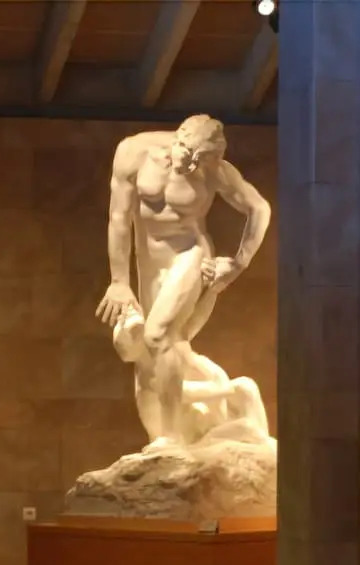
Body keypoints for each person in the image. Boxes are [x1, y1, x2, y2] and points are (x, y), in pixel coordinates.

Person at [95, 114, 271, 448]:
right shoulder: (133, 152)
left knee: (157, 335)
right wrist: (119, 281)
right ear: (178, 137)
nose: (191, 167)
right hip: (148, 263)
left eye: (200, 163)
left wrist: (238, 263)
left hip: (190, 256)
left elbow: (259, 209)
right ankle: (174, 431)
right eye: (188, 156)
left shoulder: (216, 171)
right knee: (150, 355)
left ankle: (171, 437)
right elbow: (118, 219)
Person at [111, 306, 269, 445]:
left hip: (201, 429)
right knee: (248, 428)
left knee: (245, 387)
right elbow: (214, 388)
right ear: (133, 347)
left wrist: (192, 360)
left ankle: (265, 449)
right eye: (137, 333)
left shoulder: (165, 357)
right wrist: (219, 386)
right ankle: (265, 451)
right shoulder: (151, 379)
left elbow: (216, 378)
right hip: (187, 444)